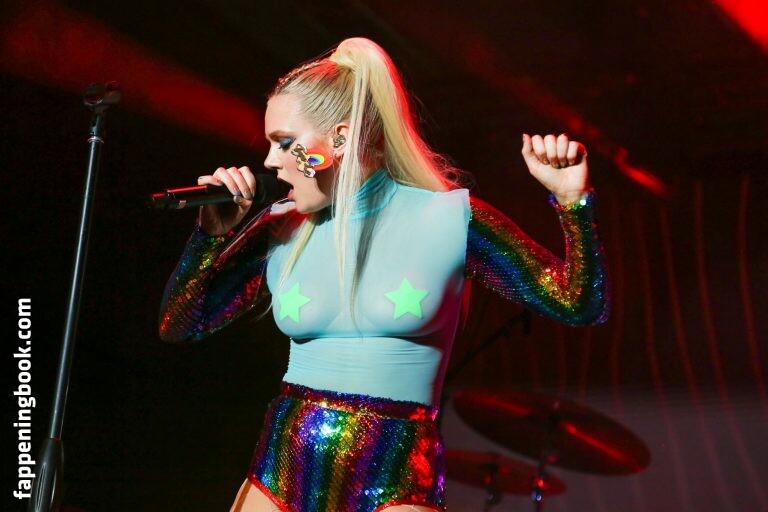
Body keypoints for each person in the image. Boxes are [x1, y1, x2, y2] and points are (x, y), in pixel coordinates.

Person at [158, 37, 609, 512]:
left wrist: (573, 203)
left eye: (285, 143)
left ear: (340, 139)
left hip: (394, 480)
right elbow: (180, 324)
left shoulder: (451, 219)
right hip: (281, 474)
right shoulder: (280, 226)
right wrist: (209, 238)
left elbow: (580, 304)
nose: (270, 161)